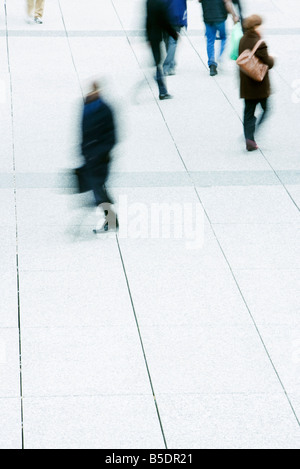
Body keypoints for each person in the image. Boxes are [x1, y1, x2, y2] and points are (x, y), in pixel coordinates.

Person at [80, 82, 118, 232]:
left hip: (101, 157)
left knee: (98, 187)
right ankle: (111, 217)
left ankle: (111, 218)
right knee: (98, 188)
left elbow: (112, 136)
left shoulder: (104, 109)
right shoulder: (86, 107)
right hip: (90, 156)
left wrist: (100, 152)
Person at [239, 15, 275, 151]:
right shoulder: (260, 43)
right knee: (266, 108)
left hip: (246, 84)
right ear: (255, 27)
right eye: (260, 25)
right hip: (259, 85)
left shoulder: (242, 40)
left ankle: (249, 138)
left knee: (248, 112)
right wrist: (273, 58)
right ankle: (255, 131)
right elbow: (269, 63)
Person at [146, 0, 179, 100]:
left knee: (157, 63)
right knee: (158, 64)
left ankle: (162, 89)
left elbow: (147, 20)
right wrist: (174, 34)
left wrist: (147, 37)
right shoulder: (160, 4)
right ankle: (162, 90)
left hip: (152, 36)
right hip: (157, 35)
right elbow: (165, 22)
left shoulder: (149, 2)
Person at [198, 0, 239, 76]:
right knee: (223, 38)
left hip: (207, 18)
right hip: (220, 18)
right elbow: (227, 3)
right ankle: (219, 57)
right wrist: (234, 15)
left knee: (210, 41)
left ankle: (212, 63)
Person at [163, 0, 187, 76]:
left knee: (169, 42)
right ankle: (171, 64)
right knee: (171, 43)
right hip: (177, 17)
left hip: (167, 17)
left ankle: (168, 66)